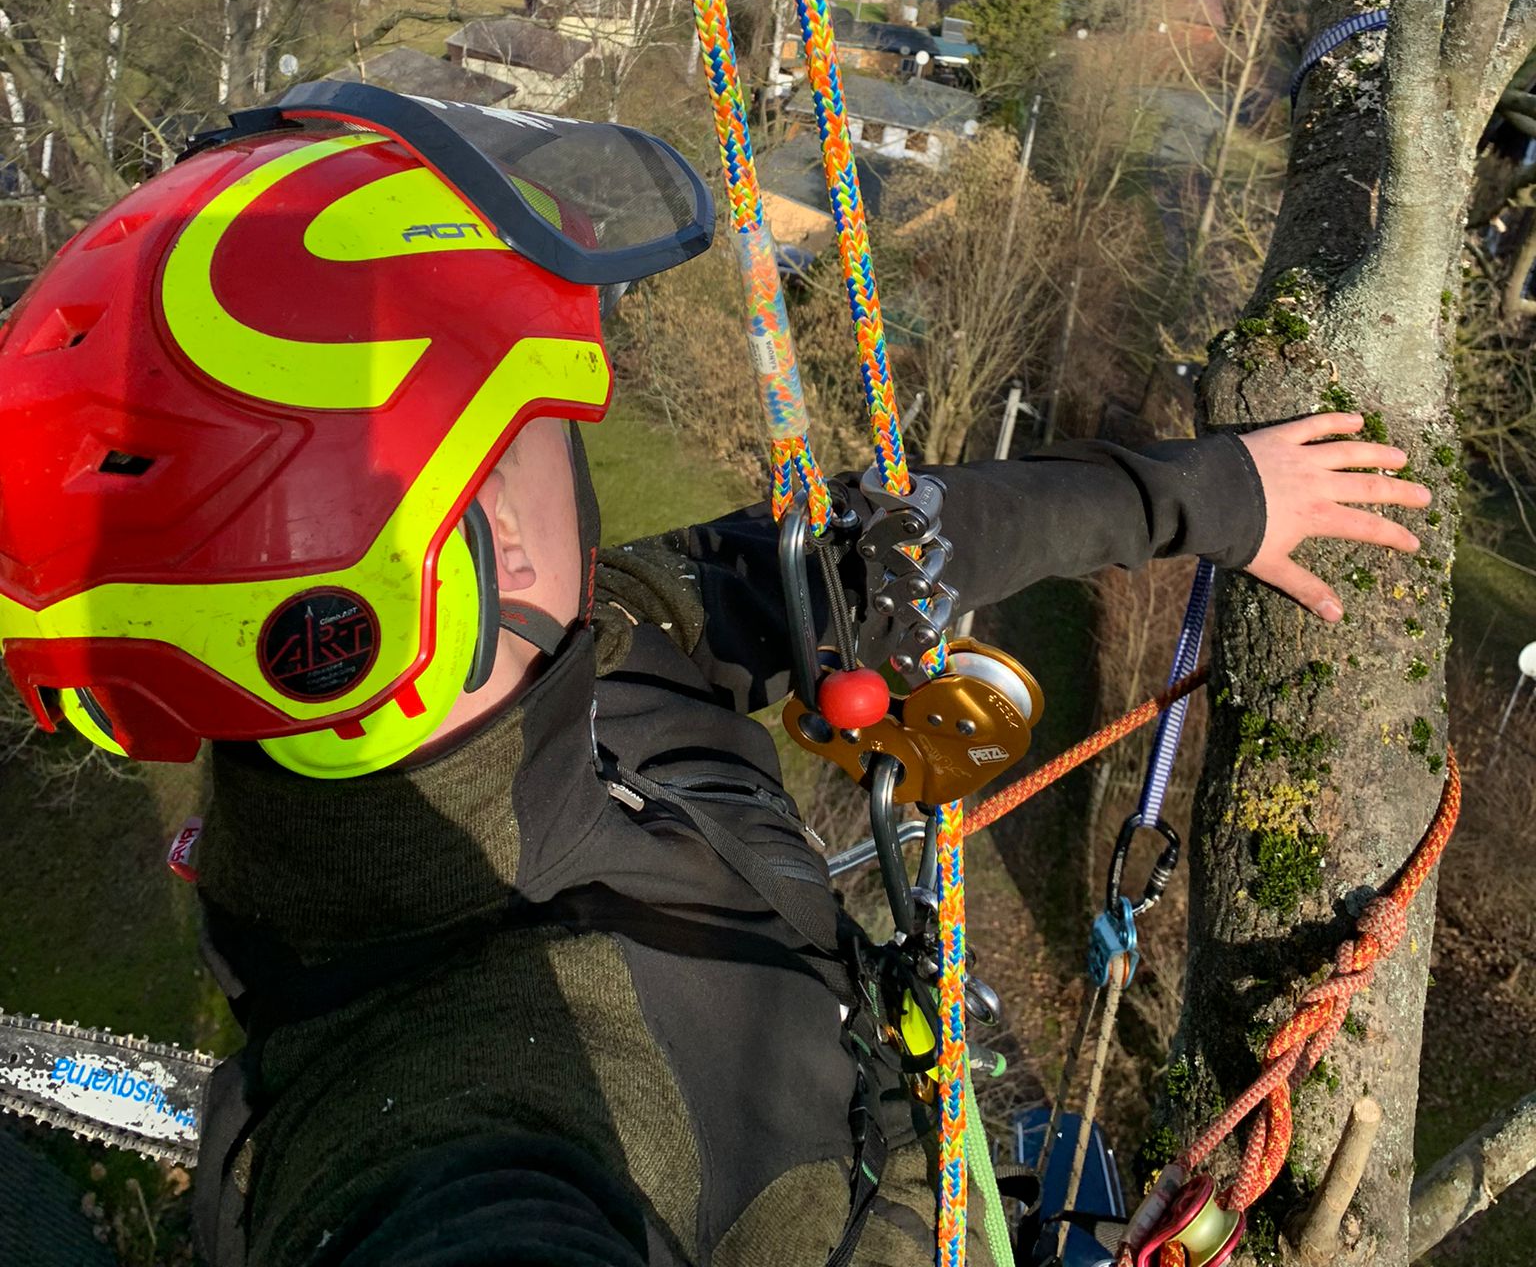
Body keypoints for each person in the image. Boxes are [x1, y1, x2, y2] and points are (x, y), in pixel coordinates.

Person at [0, 86, 1430, 1267]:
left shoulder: (586, 656)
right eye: (542, 424)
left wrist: (1208, 494)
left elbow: (868, 559)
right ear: (485, 528)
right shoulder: (481, 1115)